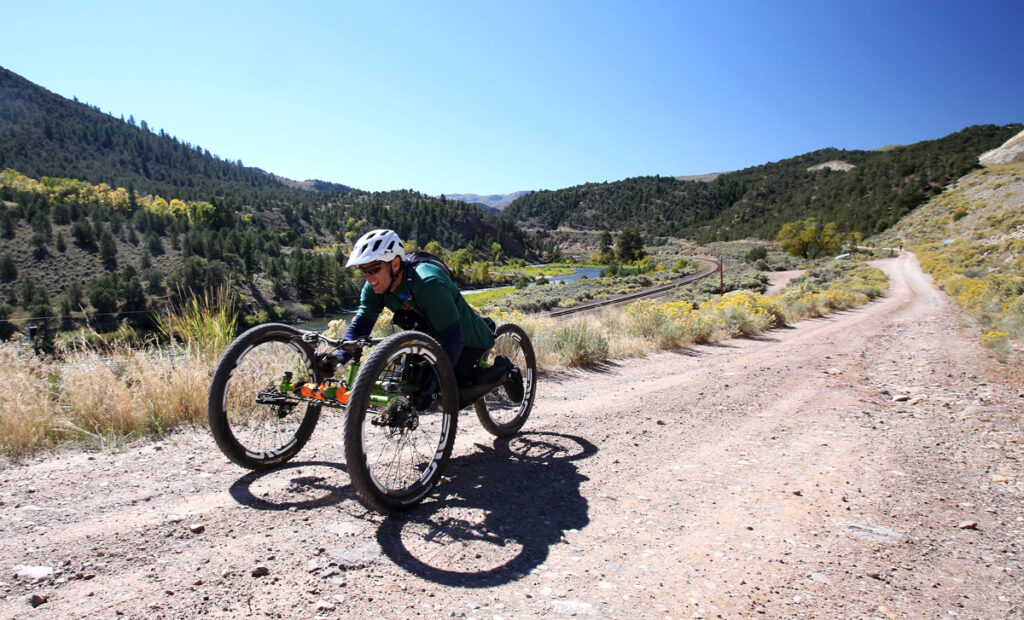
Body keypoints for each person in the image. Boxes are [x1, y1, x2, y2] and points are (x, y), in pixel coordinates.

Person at [319, 229, 522, 404]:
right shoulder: (374, 287)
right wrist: (338, 358)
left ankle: (505, 372)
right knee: (408, 384)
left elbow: (454, 339)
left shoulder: (427, 283)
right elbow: (361, 326)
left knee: (450, 395)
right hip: (429, 338)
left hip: (466, 338)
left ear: (395, 264)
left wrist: (437, 378)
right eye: (363, 270)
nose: (368, 276)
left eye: (374, 268)